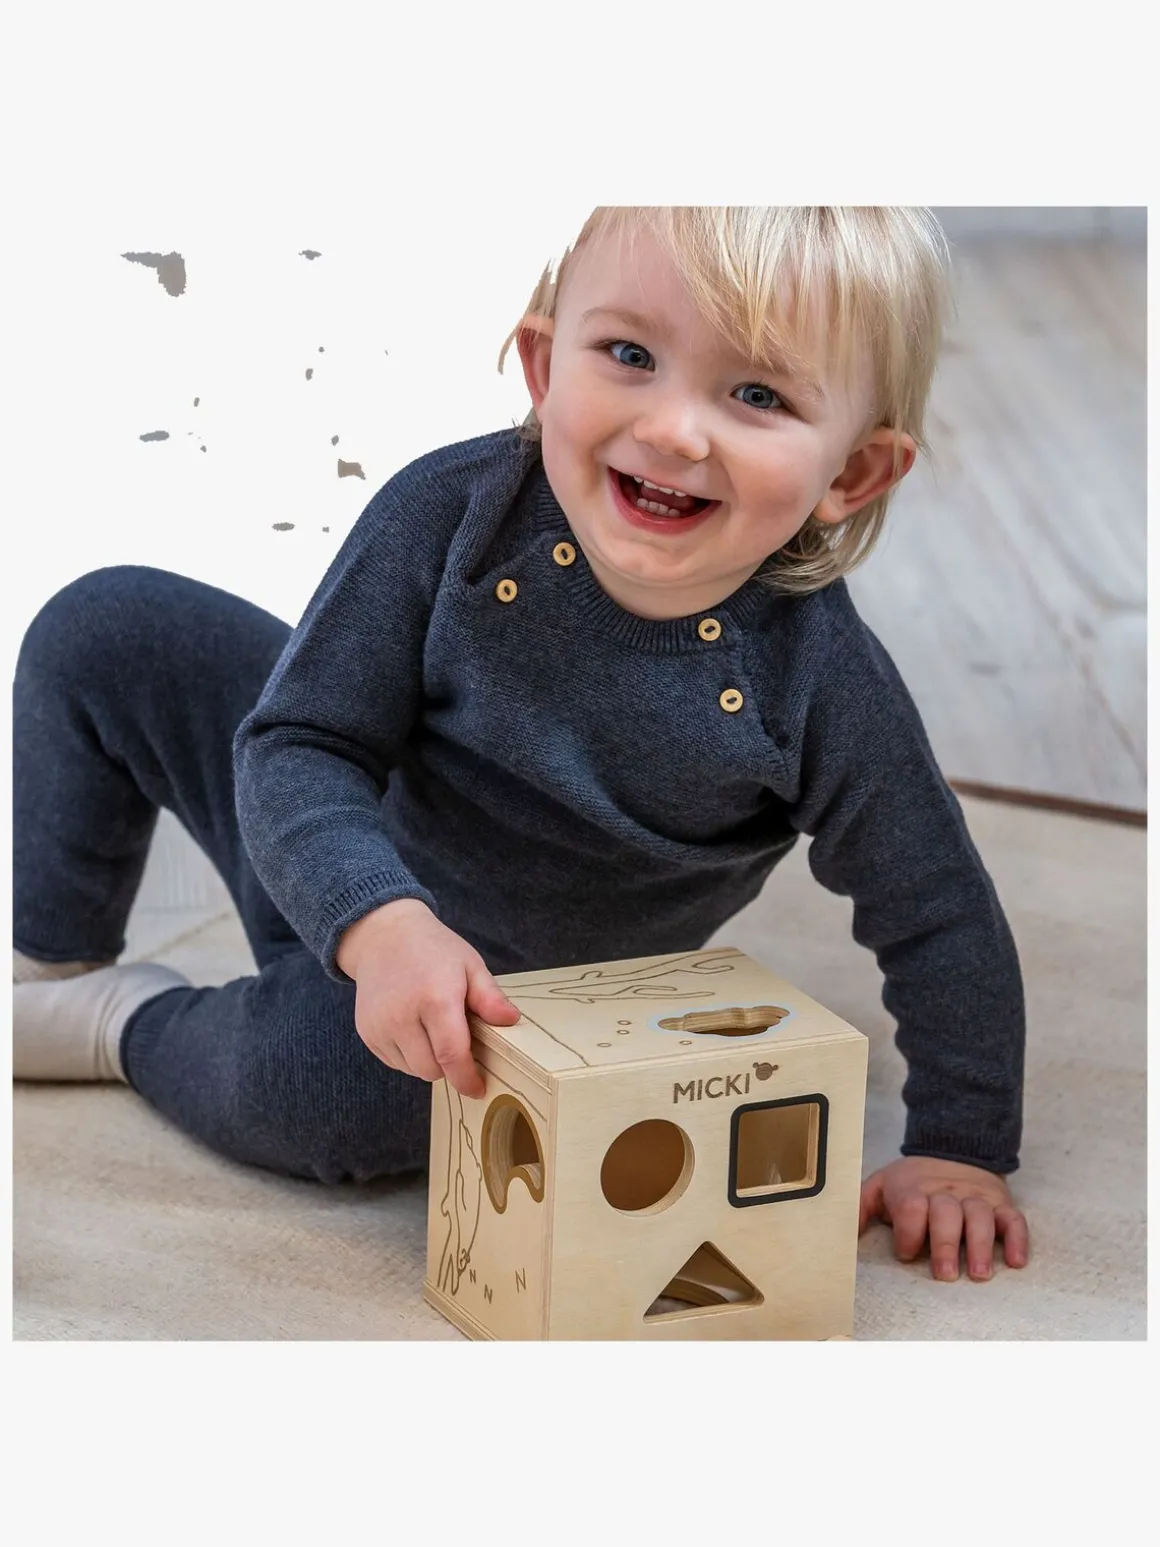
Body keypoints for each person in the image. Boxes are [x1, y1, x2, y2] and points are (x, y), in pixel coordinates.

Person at [13, 205, 1030, 1283]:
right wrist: (380, 921)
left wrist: (959, 1147)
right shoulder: (448, 514)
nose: (675, 431)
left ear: (850, 475)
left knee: (330, 1097)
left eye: (758, 396)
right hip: (343, 857)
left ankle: (121, 1021)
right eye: (629, 355)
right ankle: (53, 957)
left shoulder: (820, 679)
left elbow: (938, 911)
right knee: (107, 625)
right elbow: (302, 739)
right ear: (544, 366)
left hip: (492, 1006)